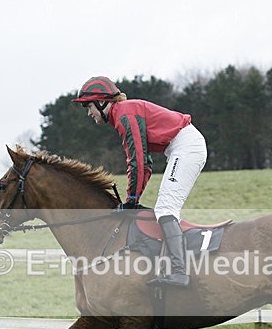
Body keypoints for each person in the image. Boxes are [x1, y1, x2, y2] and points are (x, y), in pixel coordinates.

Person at [72, 76, 207, 287]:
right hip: (180, 147)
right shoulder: (122, 115)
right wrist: (133, 199)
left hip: (186, 146)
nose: (89, 113)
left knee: (165, 209)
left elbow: (138, 161)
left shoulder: (125, 113)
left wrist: (132, 199)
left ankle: (180, 272)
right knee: (164, 208)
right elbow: (143, 162)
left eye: (89, 106)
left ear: (103, 101)